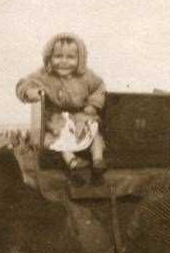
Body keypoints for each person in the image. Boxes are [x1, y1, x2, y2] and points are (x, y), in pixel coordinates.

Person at [16, 32, 107, 172]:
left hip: (80, 116)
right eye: (58, 56)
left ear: (80, 59)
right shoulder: (44, 75)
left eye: (70, 57)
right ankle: (72, 161)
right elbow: (25, 83)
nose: (64, 61)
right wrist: (29, 92)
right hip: (55, 120)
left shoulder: (87, 76)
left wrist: (93, 104)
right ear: (49, 58)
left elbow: (99, 87)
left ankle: (98, 159)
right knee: (54, 140)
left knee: (94, 132)